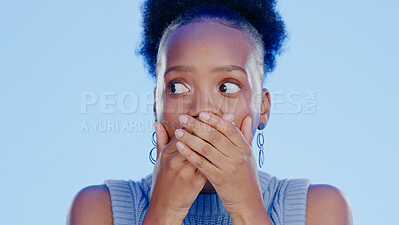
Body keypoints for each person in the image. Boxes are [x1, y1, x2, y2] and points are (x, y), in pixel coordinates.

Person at [67, 0, 352, 224]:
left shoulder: (317, 208)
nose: (202, 110)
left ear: (263, 109)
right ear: (156, 107)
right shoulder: (99, 208)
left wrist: (246, 208)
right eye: (177, 87)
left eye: (227, 87)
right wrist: (164, 215)